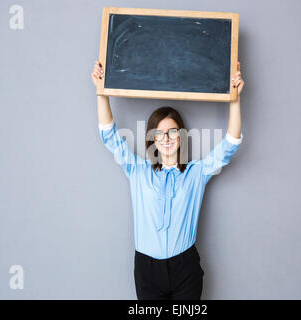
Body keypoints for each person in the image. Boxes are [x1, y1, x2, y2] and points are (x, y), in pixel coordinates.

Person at [91, 60, 244, 299]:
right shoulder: (138, 170)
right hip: (147, 269)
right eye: (159, 133)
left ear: (181, 136)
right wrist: (101, 91)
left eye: (172, 131)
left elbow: (231, 143)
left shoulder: (197, 173)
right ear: (152, 139)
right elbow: (109, 136)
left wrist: (234, 98)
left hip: (186, 268)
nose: (166, 138)